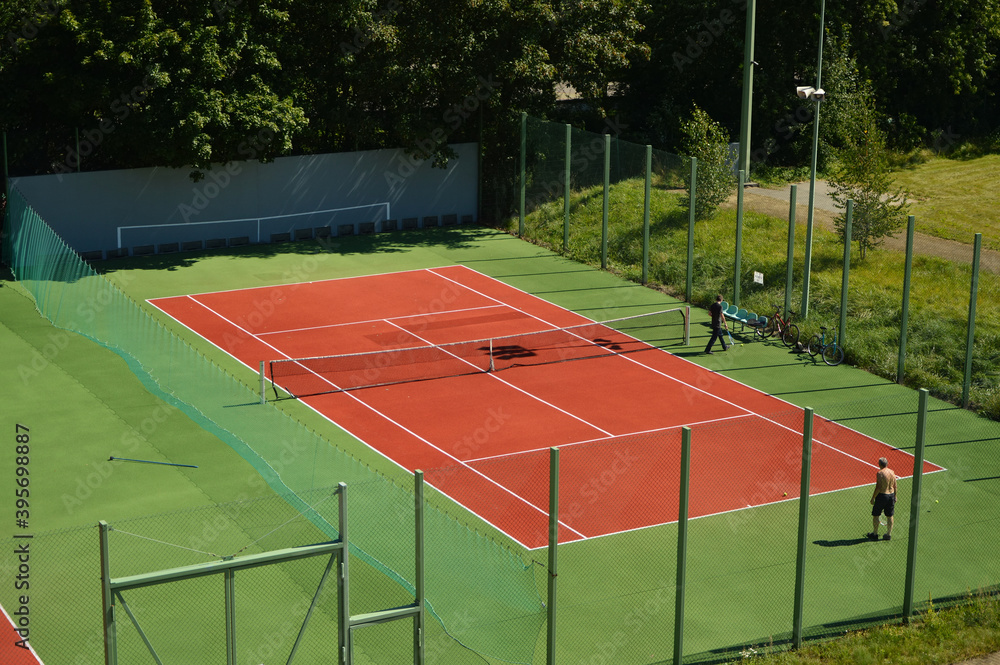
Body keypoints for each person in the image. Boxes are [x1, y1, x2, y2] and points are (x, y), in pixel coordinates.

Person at [868, 457, 897, 541]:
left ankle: (875, 534)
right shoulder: (892, 472)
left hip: (882, 496)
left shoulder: (880, 473)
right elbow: (895, 486)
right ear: (887, 464)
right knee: (890, 515)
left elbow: (878, 487)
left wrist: (873, 497)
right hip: (891, 495)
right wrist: (895, 496)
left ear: (879, 464)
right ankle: (888, 534)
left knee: (876, 514)